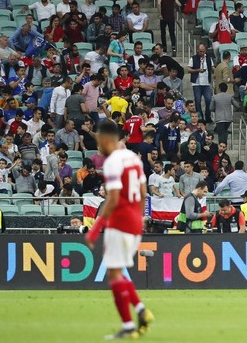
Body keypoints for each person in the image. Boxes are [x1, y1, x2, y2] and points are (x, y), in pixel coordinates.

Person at [83, 120, 154, 339]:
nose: (98, 148)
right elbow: (142, 191)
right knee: (119, 270)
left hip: (120, 221)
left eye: (98, 142)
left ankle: (128, 324)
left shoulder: (113, 162)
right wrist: (139, 216)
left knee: (114, 274)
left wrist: (95, 229)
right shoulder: (133, 158)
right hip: (135, 222)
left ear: (105, 139)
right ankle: (141, 310)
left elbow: (112, 199)